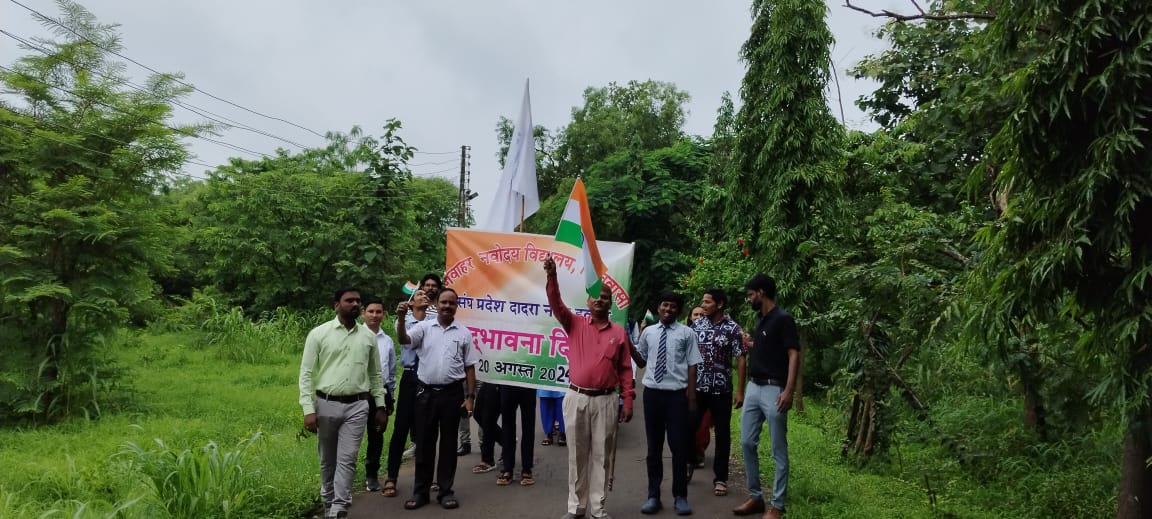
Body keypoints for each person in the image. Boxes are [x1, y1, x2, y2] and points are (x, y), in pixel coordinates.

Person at [544, 255, 635, 519]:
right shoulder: (574, 324)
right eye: (595, 296)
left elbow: (626, 370)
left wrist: (627, 400)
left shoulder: (619, 333)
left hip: (606, 400)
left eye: (604, 297)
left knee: (601, 456)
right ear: (588, 301)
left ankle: (597, 507)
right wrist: (552, 276)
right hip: (576, 398)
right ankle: (576, 508)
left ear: (610, 302)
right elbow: (556, 304)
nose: (599, 300)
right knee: (577, 455)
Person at [298, 287, 390, 519]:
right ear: (336, 305)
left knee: (347, 459)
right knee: (327, 460)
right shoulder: (319, 334)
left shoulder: (368, 337)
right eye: (349, 300)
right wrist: (308, 409)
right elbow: (306, 374)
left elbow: (376, 375)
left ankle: (339, 507)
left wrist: (380, 406)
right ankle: (328, 501)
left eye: (358, 301)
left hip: (358, 406)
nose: (355, 304)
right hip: (326, 404)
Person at [396, 288, 479, 511]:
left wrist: (470, 397)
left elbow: (470, 366)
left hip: (452, 394)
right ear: (437, 303)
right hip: (425, 394)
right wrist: (402, 318)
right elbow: (404, 340)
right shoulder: (424, 327)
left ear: (456, 306)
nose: (447, 306)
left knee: (449, 445)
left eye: (451, 303)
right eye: (443, 302)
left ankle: (445, 491)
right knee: (424, 443)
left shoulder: (463, 333)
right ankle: (420, 492)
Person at [733, 274, 800, 519]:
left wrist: (789, 391)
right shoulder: (760, 319)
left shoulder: (783, 319)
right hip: (753, 386)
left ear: (761, 292)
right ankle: (755, 497)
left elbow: (793, 355)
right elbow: (768, 349)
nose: (749, 298)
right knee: (747, 442)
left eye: (751, 294)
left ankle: (777, 506)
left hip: (774, 389)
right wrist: (751, 345)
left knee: (777, 450)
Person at [631, 291, 702, 516]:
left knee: (678, 447)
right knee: (654, 448)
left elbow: (693, 366)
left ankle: (680, 496)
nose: (668, 309)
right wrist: (629, 346)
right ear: (658, 307)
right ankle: (653, 496)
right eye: (664, 305)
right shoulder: (648, 333)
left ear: (678, 310)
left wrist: (691, 398)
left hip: (677, 397)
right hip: (652, 395)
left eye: (672, 306)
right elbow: (641, 360)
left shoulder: (687, 333)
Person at [382, 274, 441, 498]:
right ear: (411, 301)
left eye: (427, 294)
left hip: (428, 379)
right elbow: (402, 338)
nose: (424, 296)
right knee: (400, 430)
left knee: (427, 431)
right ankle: (391, 477)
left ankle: (426, 478)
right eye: (419, 294)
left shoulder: (434, 321)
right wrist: (401, 314)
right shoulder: (403, 320)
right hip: (410, 377)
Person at [690, 288, 747, 499]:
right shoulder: (696, 326)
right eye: (702, 301)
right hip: (698, 389)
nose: (703, 305)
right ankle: (690, 459)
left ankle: (721, 478)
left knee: (722, 435)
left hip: (722, 391)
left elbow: (741, 358)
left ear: (719, 304)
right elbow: (688, 356)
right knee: (689, 427)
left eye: (707, 302)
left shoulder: (733, 329)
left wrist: (740, 390)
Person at [361, 297, 397, 493]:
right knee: (353, 436)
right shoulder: (355, 336)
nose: (375, 315)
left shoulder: (388, 341)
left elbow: (391, 372)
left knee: (376, 435)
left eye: (378, 312)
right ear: (363, 313)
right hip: (358, 393)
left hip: (380, 394)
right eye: (371, 311)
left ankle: (371, 475)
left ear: (383, 315)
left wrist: (390, 398)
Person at [497, 384, 537, 486]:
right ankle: (508, 468)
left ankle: (527, 469)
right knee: (507, 426)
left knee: (528, 426)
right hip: (508, 382)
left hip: (528, 382)